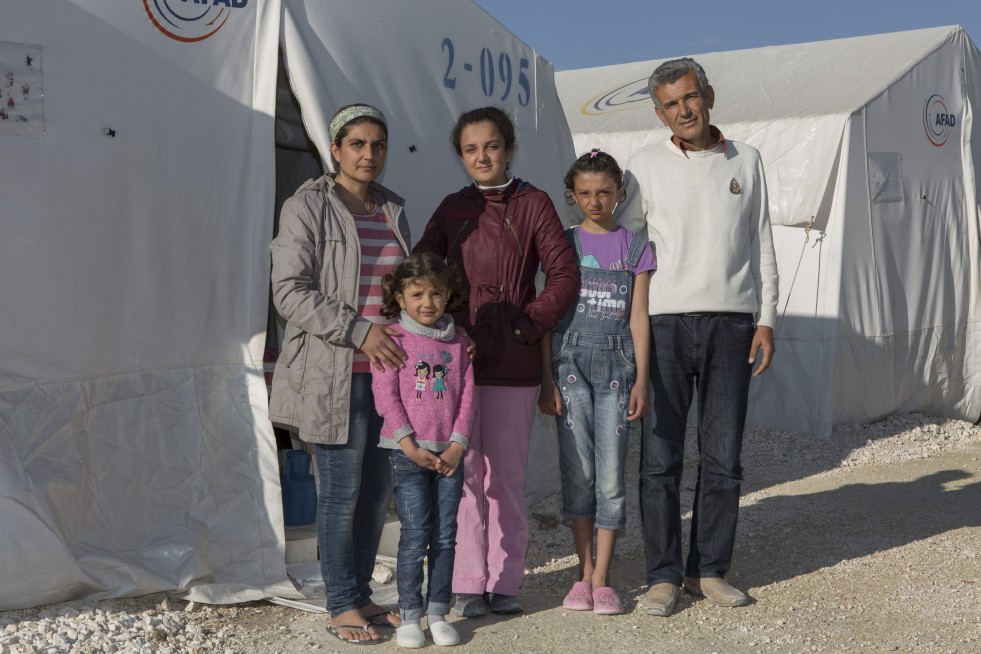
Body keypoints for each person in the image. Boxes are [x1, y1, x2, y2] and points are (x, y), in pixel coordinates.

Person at [617, 58, 779, 616]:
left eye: (690, 97)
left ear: (708, 94)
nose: (683, 110)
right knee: (659, 458)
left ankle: (708, 570)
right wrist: (626, 326)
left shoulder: (748, 160)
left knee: (724, 456)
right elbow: (630, 249)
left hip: (733, 325)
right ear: (658, 112)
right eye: (670, 103)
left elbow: (763, 244)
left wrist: (767, 318)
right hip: (663, 325)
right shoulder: (642, 166)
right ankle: (663, 576)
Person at [414, 106, 579, 616]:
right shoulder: (451, 208)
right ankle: (466, 583)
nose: (481, 156)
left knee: (504, 476)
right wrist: (445, 326)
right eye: (470, 149)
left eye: (491, 146)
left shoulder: (534, 203)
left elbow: (564, 274)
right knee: (462, 473)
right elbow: (420, 270)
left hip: (513, 361)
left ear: (508, 148)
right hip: (458, 360)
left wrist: (526, 324)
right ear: (461, 156)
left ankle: (505, 581)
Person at [269, 103, 410, 644]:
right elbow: (288, 291)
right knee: (340, 491)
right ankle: (341, 602)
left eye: (377, 144)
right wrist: (359, 330)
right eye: (357, 144)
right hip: (334, 372)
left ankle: (362, 595)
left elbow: (403, 286)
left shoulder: (393, 207)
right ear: (335, 148)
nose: (369, 154)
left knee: (376, 492)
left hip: (385, 373)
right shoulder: (306, 206)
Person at [538, 149, 656, 615]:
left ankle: (604, 577)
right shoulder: (560, 244)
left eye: (604, 191)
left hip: (616, 370)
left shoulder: (635, 247)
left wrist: (642, 378)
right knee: (579, 471)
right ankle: (581, 573)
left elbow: (639, 318)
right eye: (585, 193)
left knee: (610, 477)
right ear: (572, 195)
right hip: (567, 367)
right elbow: (547, 313)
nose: (594, 200)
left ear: (619, 193)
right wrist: (545, 378)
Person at [371, 252, 477, 648]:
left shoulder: (458, 343)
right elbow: (386, 396)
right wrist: (408, 444)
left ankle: (438, 612)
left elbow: (468, 397)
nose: (427, 303)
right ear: (400, 297)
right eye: (417, 294)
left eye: (436, 293)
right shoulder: (393, 339)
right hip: (408, 454)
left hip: (450, 455)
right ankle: (410, 615)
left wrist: (457, 446)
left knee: (445, 536)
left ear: (449, 295)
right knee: (415, 535)